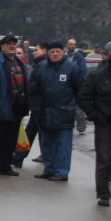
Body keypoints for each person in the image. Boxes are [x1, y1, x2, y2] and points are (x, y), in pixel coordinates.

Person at [29, 41, 82, 182]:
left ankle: (61, 172)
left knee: (63, 144)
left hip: (64, 112)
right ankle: (49, 169)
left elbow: (79, 89)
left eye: (58, 51)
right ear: (48, 53)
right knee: (46, 143)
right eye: (52, 51)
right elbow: (32, 87)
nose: (55, 54)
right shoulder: (41, 67)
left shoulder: (72, 68)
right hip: (44, 112)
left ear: (63, 52)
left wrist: (75, 106)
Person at [0, 35, 29, 177]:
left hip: (16, 107)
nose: (12, 46)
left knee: (11, 139)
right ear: (2, 46)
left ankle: (6, 166)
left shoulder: (20, 63)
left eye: (14, 44)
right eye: (9, 44)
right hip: (1, 108)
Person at [77, 42, 111, 206]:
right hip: (105, 123)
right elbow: (83, 97)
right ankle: (103, 194)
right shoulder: (98, 75)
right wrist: (95, 115)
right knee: (104, 158)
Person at [13, 42, 49, 167]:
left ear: (44, 50)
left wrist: (28, 89)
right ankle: (19, 157)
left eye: (37, 49)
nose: (34, 52)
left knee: (35, 133)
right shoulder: (40, 64)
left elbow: (37, 84)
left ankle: (19, 157)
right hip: (38, 105)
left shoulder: (42, 65)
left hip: (40, 105)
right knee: (34, 132)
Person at [66, 38, 88, 134]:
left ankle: (81, 127)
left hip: (77, 85)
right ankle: (67, 125)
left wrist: (82, 84)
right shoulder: (64, 56)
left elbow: (83, 71)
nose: (72, 46)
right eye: (71, 44)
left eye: (74, 44)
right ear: (67, 45)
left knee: (78, 108)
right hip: (66, 85)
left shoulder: (79, 56)